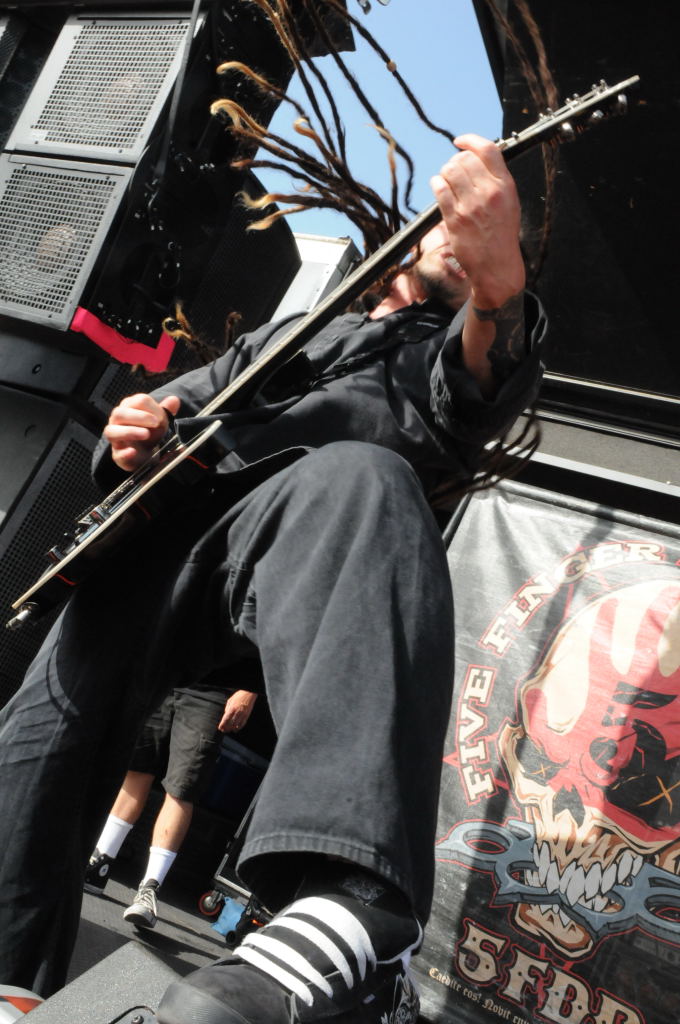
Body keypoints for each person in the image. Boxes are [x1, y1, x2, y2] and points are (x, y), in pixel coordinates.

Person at [0, 135, 546, 1021]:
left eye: (480, 229)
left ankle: (357, 907)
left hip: (286, 535)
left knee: (364, 480)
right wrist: (134, 426)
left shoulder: (448, 348)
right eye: (448, 222)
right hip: (155, 550)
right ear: (411, 235)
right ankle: (12, 983)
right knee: (39, 736)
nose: (460, 232)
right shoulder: (295, 330)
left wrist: (502, 289)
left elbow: (489, 367)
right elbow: (175, 404)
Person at [84, 683, 257, 929]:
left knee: (182, 788)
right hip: (167, 676)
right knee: (137, 768)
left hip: (214, 689)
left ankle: (150, 888)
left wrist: (249, 691)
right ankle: (99, 863)